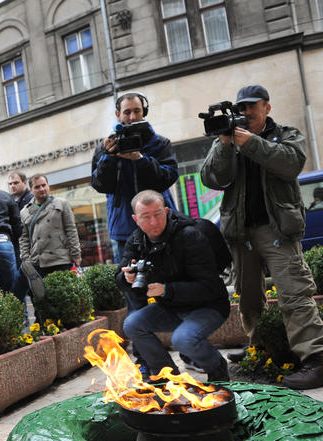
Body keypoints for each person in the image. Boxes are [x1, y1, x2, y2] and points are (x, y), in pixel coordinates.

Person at [201, 84, 323, 390]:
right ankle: (259, 348)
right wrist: (224, 144)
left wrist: (250, 142)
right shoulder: (230, 138)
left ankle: (316, 360)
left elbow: (291, 163)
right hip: (242, 233)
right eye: (241, 108)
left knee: (295, 293)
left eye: (251, 107)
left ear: (266, 107)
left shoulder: (286, 134)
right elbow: (212, 178)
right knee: (249, 296)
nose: (245, 113)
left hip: (277, 229)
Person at [117, 190, 230, 382]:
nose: (153, 222)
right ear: (136, 219)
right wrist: (125, 278)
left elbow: (209, 286)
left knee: (183, 339)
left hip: (209, 307)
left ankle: (217, 367)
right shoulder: (136, 241)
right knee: (132, 324)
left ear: (166, 210)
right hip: (171, 307)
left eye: (158, 214)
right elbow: (120, 275)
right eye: (146, 217)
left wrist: (167, 290)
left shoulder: (190, 236)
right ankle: (165, 374)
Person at [90, 91, 179, 263]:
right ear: (118, 115)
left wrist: (141, 160)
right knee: (130, 280)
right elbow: (99, 185)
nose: (132, 117)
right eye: (127, 112)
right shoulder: (106, 147)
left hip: (160, 223)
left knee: (168, 274)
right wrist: (109, 157)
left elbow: (168, 177)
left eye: (137, 111)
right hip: (125, 228)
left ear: (144, 112)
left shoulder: (160, 143)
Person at [19, 173, 81, 278]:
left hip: (61, 259)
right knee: (42, 294)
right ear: (31, 190)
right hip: (38, 262)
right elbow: (23, 238)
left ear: (48, 186)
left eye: (44, 185)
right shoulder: (24, 211)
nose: (42, 189)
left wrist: (76, 254)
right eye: (37, 187)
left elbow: (71, 230)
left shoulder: (62, 203)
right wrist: (26, 259)